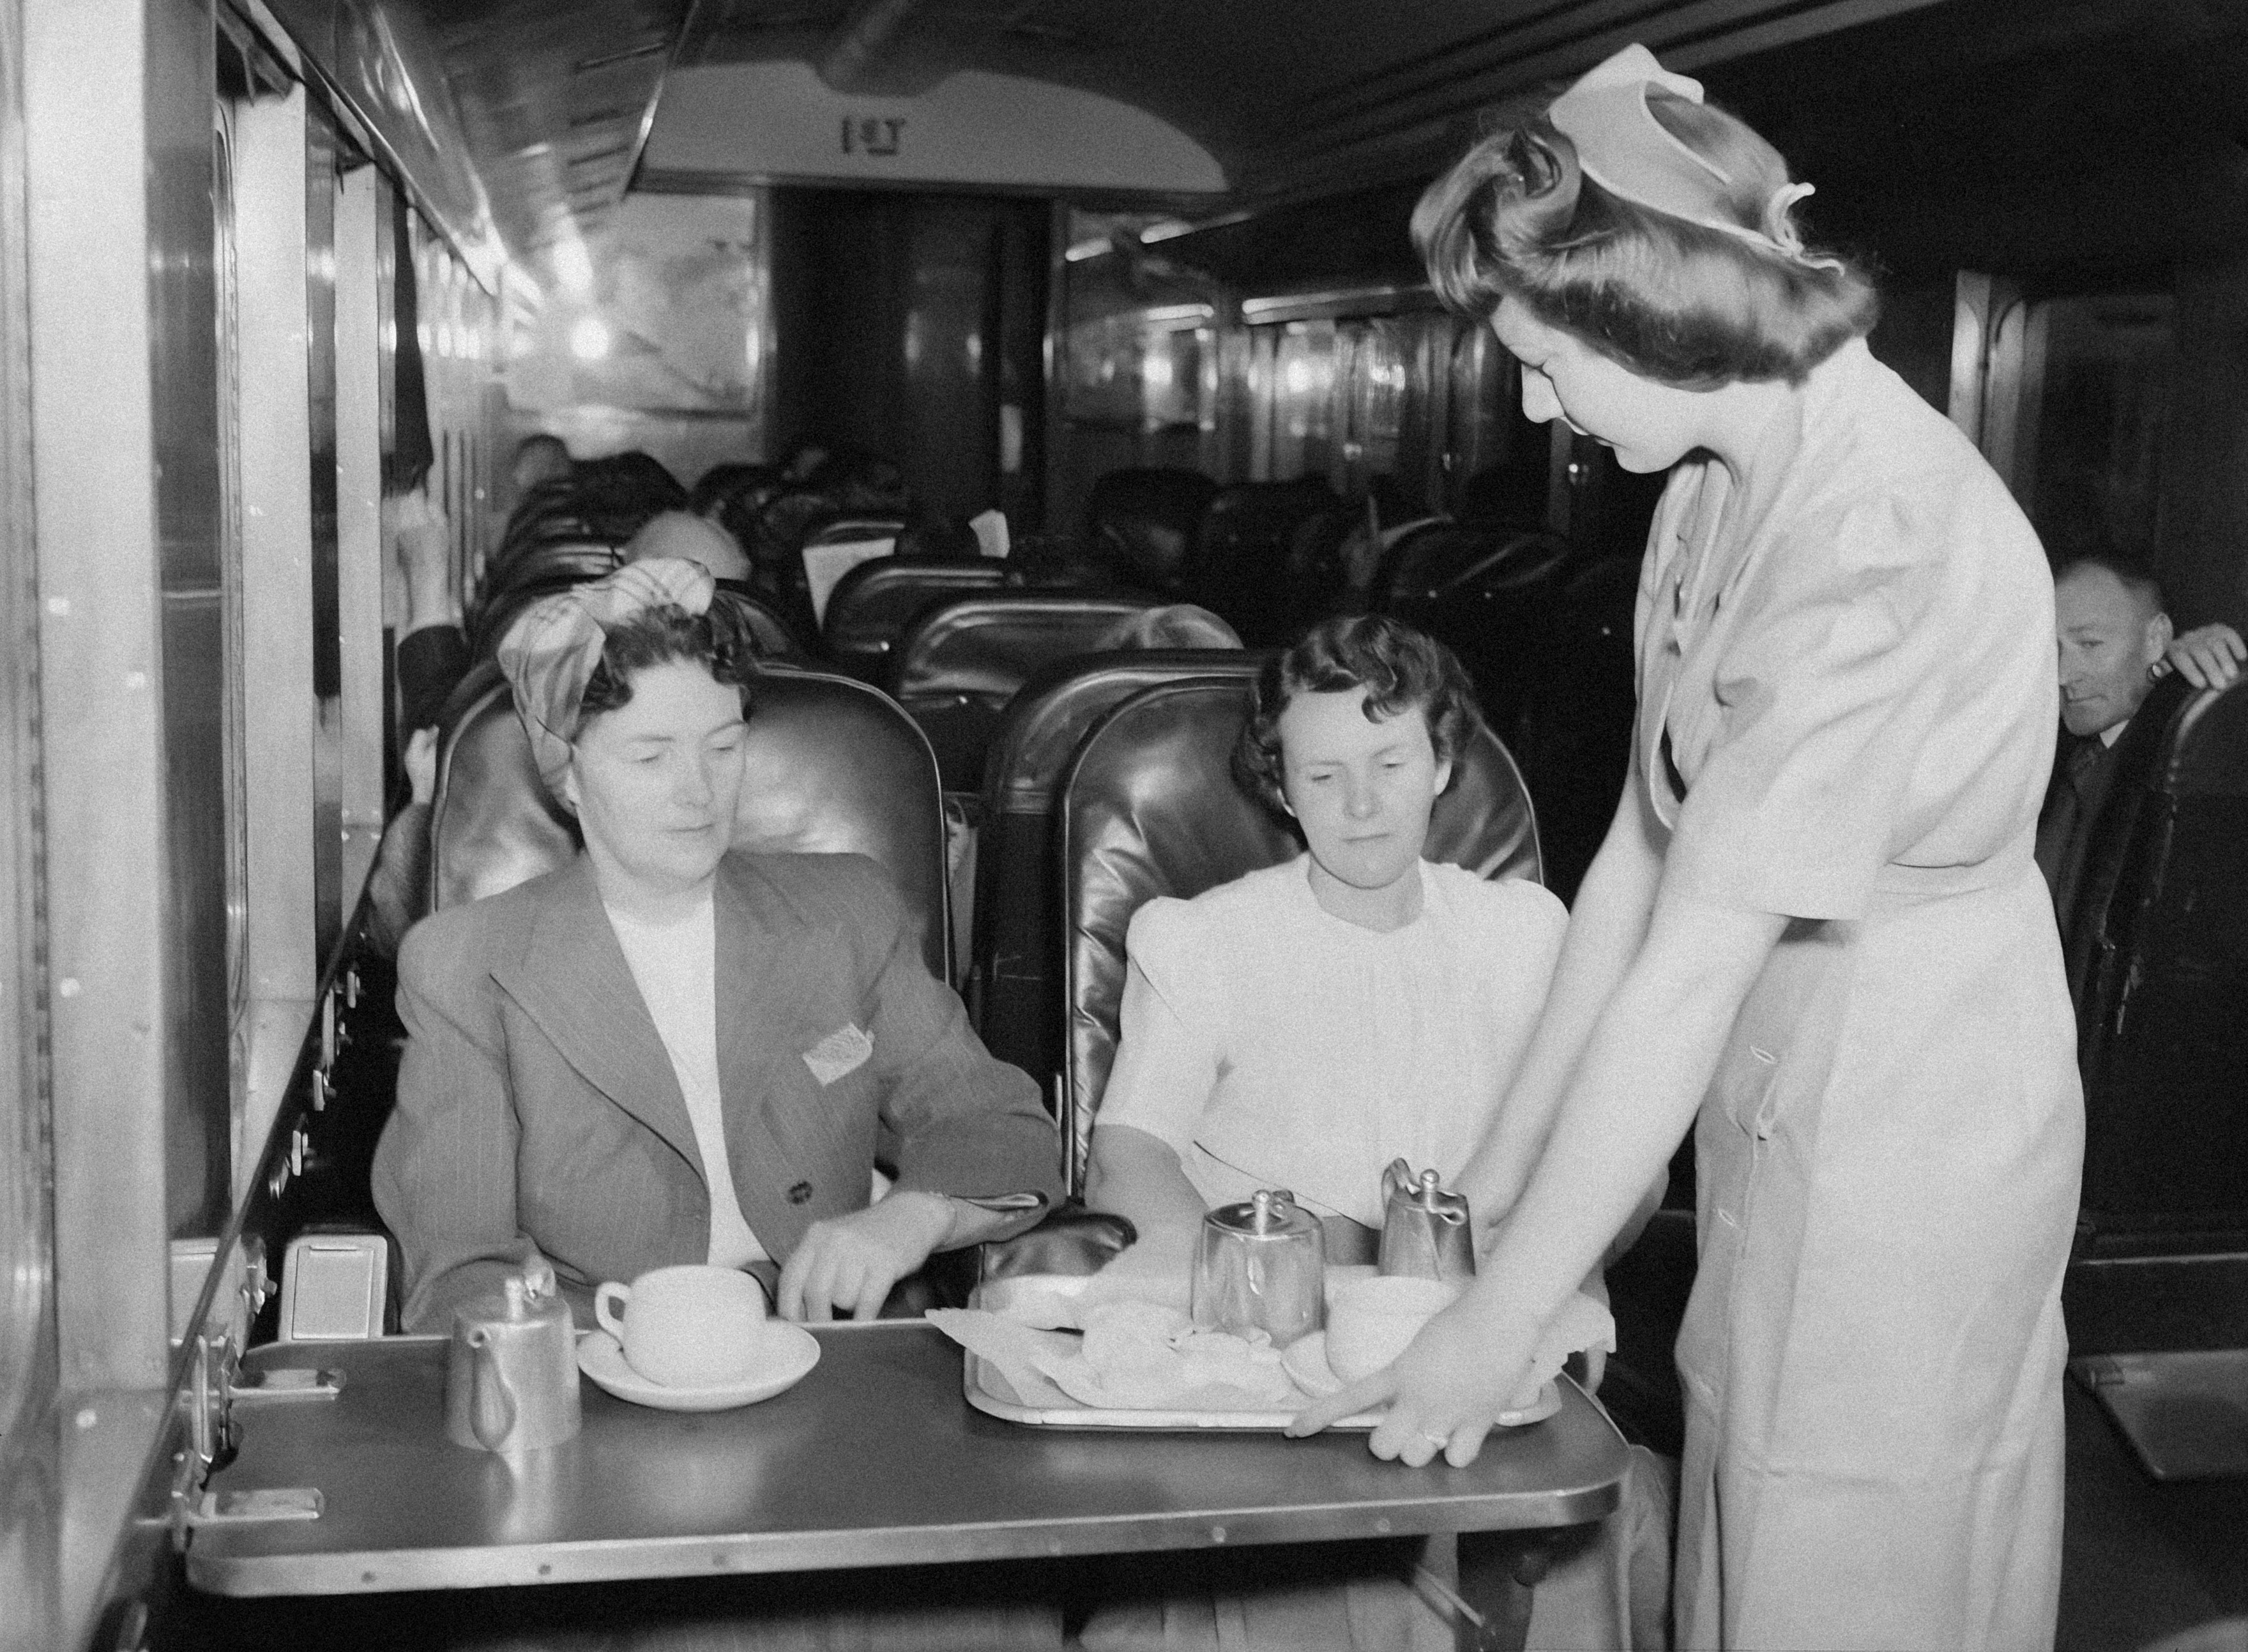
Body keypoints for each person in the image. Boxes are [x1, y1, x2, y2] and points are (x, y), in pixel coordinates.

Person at [1293, 43, 2081, 1649]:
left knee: (1857, 1525)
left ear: (1647, 315)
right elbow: (1634, 867)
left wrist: (1495, 1324)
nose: (1532, 404)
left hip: (1910, 1081)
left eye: (1541, 361)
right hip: (1781, 1060)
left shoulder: (1872, 534)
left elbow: (1690, 965)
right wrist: (1490, 1187)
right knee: (1748, 1487)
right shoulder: (1711, 485)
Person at [1084, 616, 1668, 1652]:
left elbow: (1626, 1157)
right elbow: (1129, 1154)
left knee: (1602, 1552)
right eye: (1323, 774)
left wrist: (1534, 1279)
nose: (1360, 805)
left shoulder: (1531, 933)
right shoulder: (1203, 938)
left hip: (1500, 1342)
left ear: (1444, 762)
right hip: (1284, 1364)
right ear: (1280, 786)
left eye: (1391, 761)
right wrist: (1242, 1313)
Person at [371, 557, 1062, 1335]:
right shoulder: (466, 966)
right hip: (596, 1375)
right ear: (568, 777)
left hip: (824, 1353)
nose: (698, 791)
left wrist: (910, 1216)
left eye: (723, 747)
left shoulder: (844, 913)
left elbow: (1000, 1127)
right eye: (650, 755)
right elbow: (455, 1277)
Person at [2041, 552, 2245, 918]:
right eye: (2052, 649)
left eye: (2089, 644)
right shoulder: (2048, 752)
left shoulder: (2185, 767)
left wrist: (2224, 673)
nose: (2062, 675)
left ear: (2156, 638)